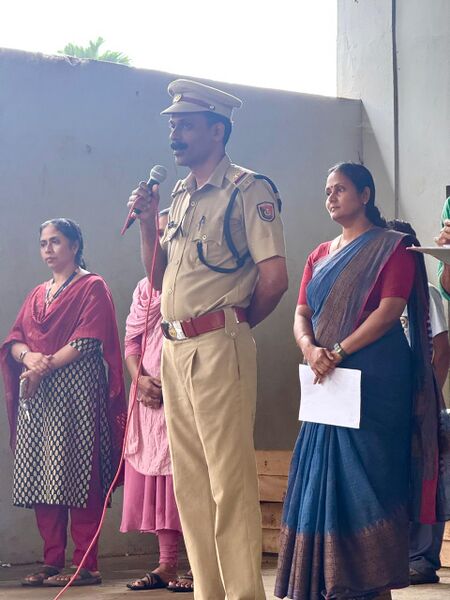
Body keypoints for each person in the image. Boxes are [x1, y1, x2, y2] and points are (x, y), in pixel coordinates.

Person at [127, 79, 288, 600]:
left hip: (219, 345)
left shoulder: (247, 190)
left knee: (229, 480)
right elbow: (158, 280)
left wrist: (232, 326)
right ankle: (209, 593)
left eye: (186, 125)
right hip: (175, 350)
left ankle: (243, 595)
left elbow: (275, 278)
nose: (174, 134)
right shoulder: (177, 194)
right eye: (172, 125)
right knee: (191, 482)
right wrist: (149, 225)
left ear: (217, 131)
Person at [275, 163, 447, 600]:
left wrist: (338, 351)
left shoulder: (393, 246)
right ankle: (325, 583)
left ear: (366, 194)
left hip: (374, 381)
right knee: (318, 476)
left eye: (341, 189)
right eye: (327, 191)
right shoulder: (319, 254)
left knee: (369, 480)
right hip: (324, 379)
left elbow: (389, 310)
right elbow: (301, 313)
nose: (331, 197)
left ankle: (371, 587)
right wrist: (310, 349)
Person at [0, 218, 126, 587]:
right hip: (40, 399)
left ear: (74, 245)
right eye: (43, 243)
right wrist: (29, 359)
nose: (48, 249)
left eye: (55, 241)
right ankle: (52, 560)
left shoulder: (92, 287)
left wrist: (45, 365)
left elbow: (88, 339)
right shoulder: (37, 294)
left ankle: (87, 564)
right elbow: (15, 339)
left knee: (80, 475)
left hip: (78, 397)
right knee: (44, 473)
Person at [120, 209, 192, 592]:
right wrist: (140, 379)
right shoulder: (142, 290)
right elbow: (131, 343)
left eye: (168, 232)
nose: (161, 240)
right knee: (162, 481)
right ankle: (166, 565)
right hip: (150, 399)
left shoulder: (193, 281)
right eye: (156, 233)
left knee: (190, 477)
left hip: (187, 392)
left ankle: (200, 565)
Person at [389, 219, 450, 585]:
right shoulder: (381, 295)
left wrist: (427, 397)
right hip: (391, 399)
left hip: (422, 400)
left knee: (429, 473)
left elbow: (442, 351)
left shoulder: (425, 293)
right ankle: (398, 555)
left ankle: (424, 558)